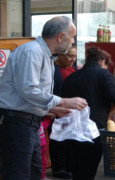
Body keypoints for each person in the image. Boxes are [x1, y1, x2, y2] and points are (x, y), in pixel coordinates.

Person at [0, 16, 88, 180]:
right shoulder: (32, 52)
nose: (73, 42)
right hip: (17, 124)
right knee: (17, 174)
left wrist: (54, 108)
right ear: (60, 37)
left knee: (34, 173)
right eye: (72, 37)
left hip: (29, 123)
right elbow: (28, 90)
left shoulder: (46, 56)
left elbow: (30, 95)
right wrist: (62, 101)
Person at [61, 47, 115, 180]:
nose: (107, 68)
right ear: (102, 61)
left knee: (77, 168)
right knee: (89, 168)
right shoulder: (103, 74)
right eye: (107, 65)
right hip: (94, 129)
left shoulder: (71, 77)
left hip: (71, 128)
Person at [50, 45, 78, 179]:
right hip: (57, 109)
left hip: (70, 110)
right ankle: (58, 168)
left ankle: (68, 166)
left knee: (68, 139)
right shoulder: (53, 70)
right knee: (58, 140)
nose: (72, 59)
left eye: (74, 56)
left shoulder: (73, 69)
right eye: (69, 56)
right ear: (60, 55)